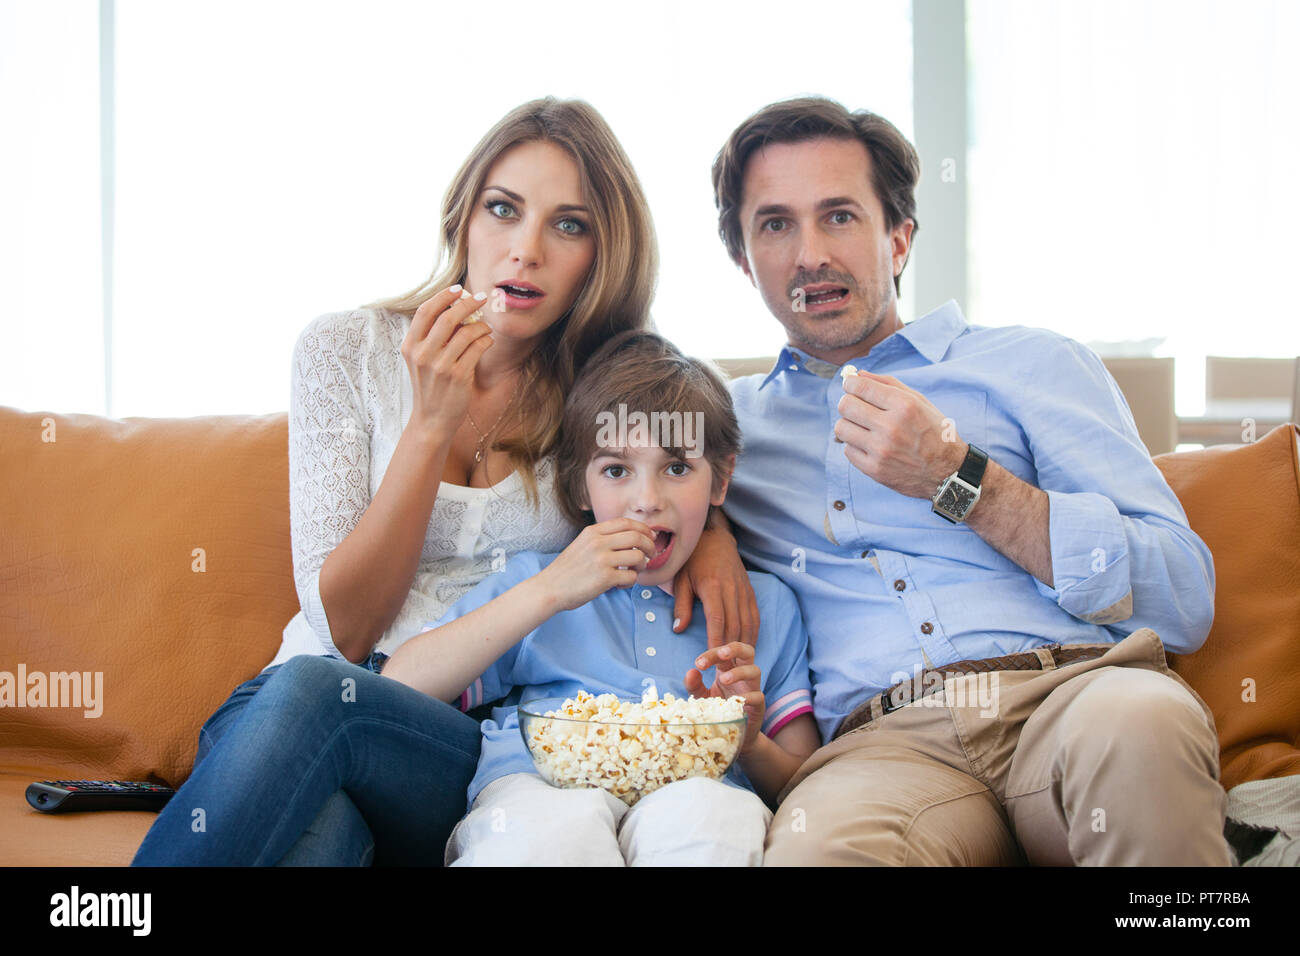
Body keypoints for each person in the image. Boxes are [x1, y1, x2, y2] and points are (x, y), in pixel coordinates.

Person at [132, 98, 756, 867]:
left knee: (320, 704)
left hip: (466, 743)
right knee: (319, 830)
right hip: (289, 719)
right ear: (462, 219)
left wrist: (718, 538)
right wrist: (429, 424)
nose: (524, 251)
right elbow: (348, 633)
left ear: (603, 253)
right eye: (503, 210)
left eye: (569, 225)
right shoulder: (345, 351)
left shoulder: (602, 391)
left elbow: (687, 462)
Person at [706, 96, 1233, 865]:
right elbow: (604, 482)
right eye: (775, 224)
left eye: (841, 216)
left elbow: (1184, 598)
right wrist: (713, 537)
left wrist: (960, 479)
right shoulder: (728, 429)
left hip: (1071, 697)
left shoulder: (1036, 363)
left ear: (900, 238)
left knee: (1144, 727)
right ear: (743, 260)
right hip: (881, 755)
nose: (810, 253)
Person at [382, 330, 820, 866]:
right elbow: (400, 685)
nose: (646, 500)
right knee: (556, 835)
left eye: (677, 468)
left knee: (711, 816)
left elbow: (803, 777)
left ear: (720, 481)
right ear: (581, 488)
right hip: (540, 786)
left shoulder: (763, 604)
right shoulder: (538, 582)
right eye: (616, 470)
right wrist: (548, 592)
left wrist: (748, 742)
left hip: (704, 789)